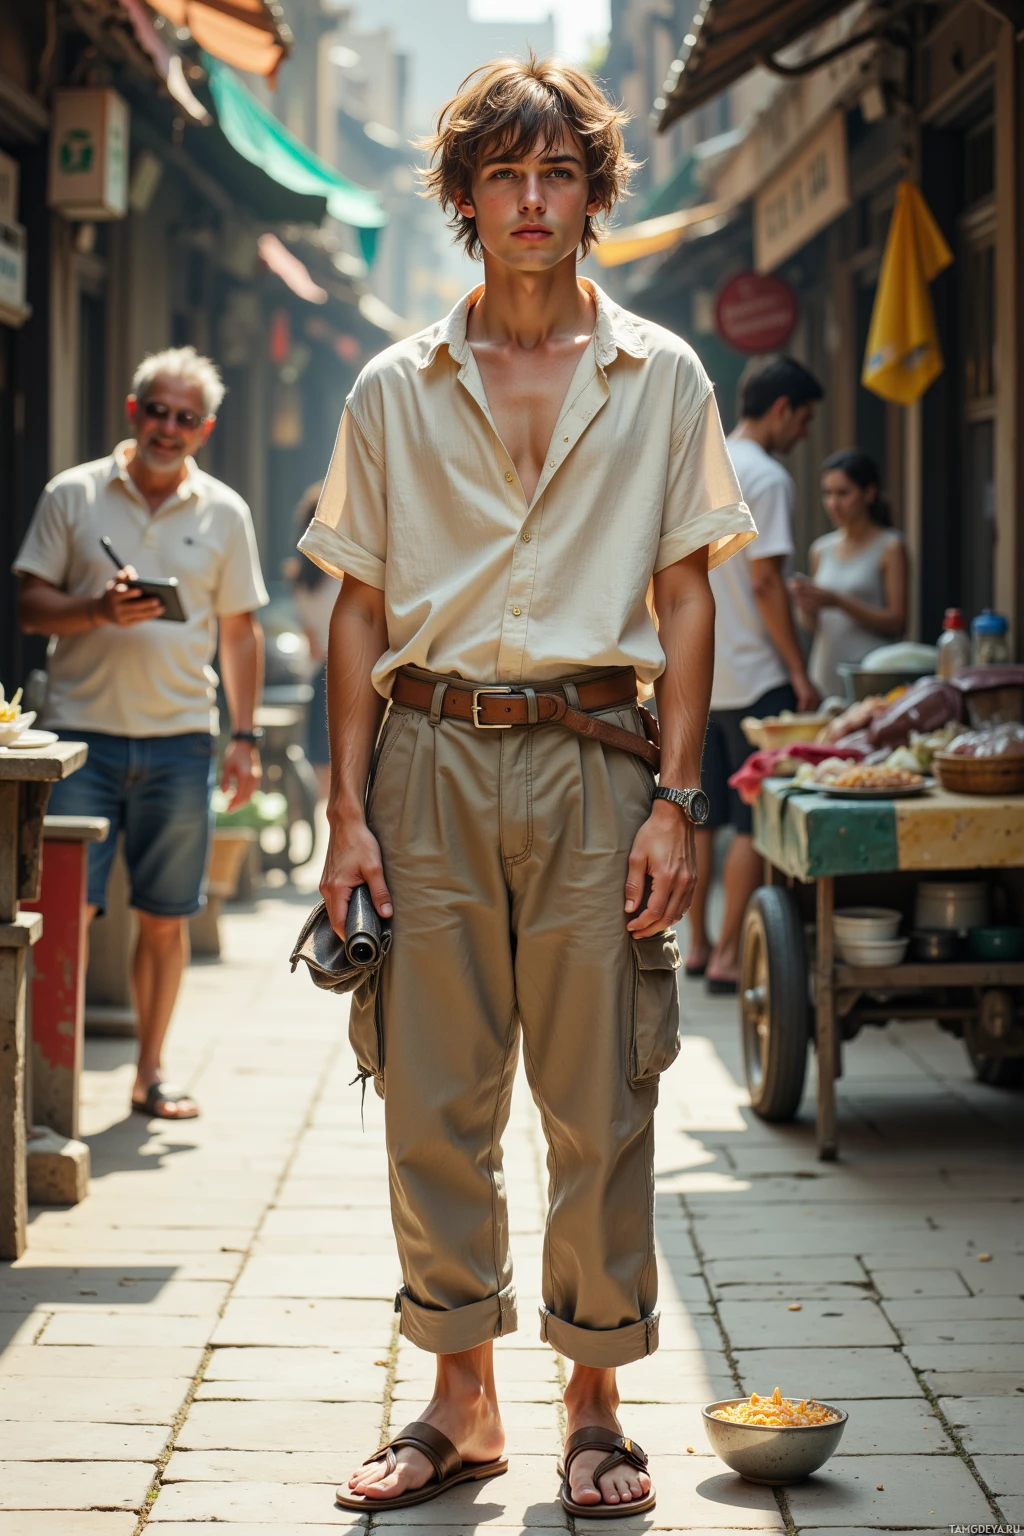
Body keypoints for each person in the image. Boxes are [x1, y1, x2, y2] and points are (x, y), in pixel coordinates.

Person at [299, 56, 755, 1520]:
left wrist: (679, 801)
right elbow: (356, 613)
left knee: (600, 1093)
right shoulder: (393, 384)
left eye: (560, 174)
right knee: (431, 1090)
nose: (535, 202)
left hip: (595, 763)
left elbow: (687, 605)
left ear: (594, 191)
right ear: (468, 198)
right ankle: (460, 1401)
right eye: (507, 176)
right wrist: (346, 812)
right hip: (424, 755)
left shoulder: (663, 375)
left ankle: (599, 1400)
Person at [15, 346, 268, 1121]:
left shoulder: (225, 511)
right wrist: (95, 610)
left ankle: (150, 1074)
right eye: (156, 410)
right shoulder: (75, 493)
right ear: (133, 411)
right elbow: (28, 604)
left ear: (205, 429)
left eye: (185, 417)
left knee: (165, 918)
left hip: (181, 739)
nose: (168, 427)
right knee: (63, 915)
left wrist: (245, 734)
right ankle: (37, 1084)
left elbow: (240, 631)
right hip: (76, 743)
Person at [686, 355, 823, 992]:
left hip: (699, 671)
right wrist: (799, 670)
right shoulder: (768, 475)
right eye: (804, 420)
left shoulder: (703, 462)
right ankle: (728, 956)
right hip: (755, 675)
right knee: (748, 821)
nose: (803, 434)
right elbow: (766, 581)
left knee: (699, 815)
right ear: (782, 410)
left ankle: (697, 945)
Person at [791, 449, 907, 699]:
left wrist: (838, 601)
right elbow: (814, 626)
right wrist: (806, 603)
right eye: (827, 493)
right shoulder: (821, 549)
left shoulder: (890, 546)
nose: (833, 503)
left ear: (869, 493)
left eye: (843, 493)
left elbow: (897, 622)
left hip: (870, 677)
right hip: (825, 674)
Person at [285, 480, 337, 799]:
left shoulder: (299, 575)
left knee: (322, 758)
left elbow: (311, 638)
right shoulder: (346, 572)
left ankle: (331, 830)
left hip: (319, 673)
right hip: (353, 671)